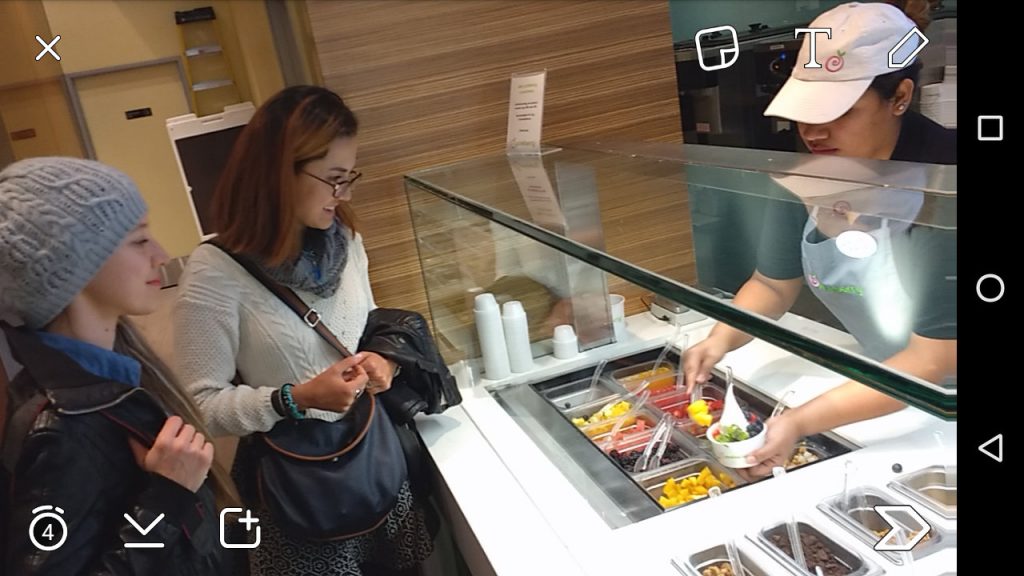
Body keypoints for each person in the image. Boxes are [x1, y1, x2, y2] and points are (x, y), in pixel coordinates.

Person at [682, 0, 956, 476]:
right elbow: (773, 285)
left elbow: (932, 360)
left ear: (900, 96)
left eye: (838, 111)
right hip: (882, 387)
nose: (812, 131)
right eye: (804, 111)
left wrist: (800, 421)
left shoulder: (943, 188)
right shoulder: (811, 177)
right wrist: (719, 339)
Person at [172, 86, 434, 576]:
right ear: (278, 173)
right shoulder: (215, 271)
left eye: (350, 177)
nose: (346, 194)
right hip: (297, 493)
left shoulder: (346, 239)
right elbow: (199, 406)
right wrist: (295, 398)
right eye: (334, 179)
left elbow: (368, 324)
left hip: (377, 465)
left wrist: (383, 362)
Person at [0, 157, 236, 575]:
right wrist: (165, 499)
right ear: (74, 263)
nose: (162, 255)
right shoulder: (59, 429)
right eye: (139, 240)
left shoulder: (117, 379)